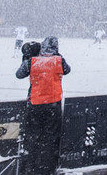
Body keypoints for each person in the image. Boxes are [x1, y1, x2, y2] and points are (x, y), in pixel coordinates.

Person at [15, 36, 70, 175]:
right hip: (53, 105)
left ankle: (30, 167)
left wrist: (28, 57)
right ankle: (47, 168)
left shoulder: (33, 62)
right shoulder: (59, 61)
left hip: (35, 104)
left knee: (32, 138)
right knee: (51, 139)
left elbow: (19, 74)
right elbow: (67, 69)